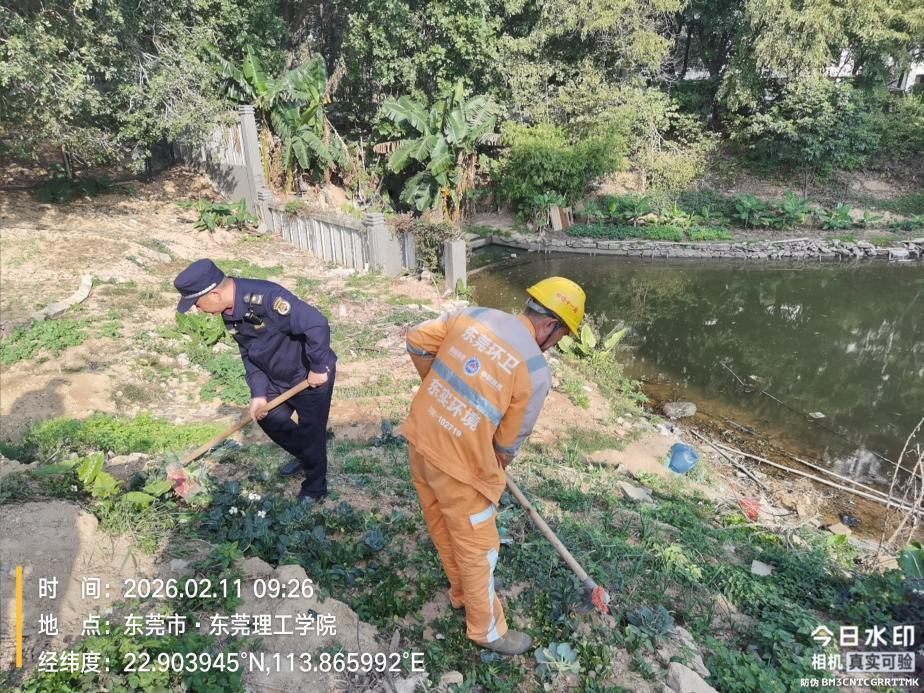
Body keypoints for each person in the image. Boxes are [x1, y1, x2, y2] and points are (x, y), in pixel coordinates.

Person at [400, 277, 585, 655]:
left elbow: (417, 340)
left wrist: (442, 393)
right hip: (461, 467)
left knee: (441, 524)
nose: (556, 344)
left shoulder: (472, 315)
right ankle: (486, 630)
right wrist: (487, 448)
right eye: (562, 336)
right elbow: (506, 446)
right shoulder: (534, 370)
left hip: (421, 438)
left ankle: (462, 592)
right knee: (478, 548)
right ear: (550, 325)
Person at [173, 259, 336, 502]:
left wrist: (318, 366)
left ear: (215, 294)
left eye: (197, 303)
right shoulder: (229, 312)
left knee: (311, 432)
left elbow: (316, 323)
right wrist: (258, 393)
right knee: (268, 417)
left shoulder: (268, 298)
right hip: (276, 377)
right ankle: (307, 455)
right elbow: (249, 354)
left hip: (308, 375)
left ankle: (315, 487)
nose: (198, 310)